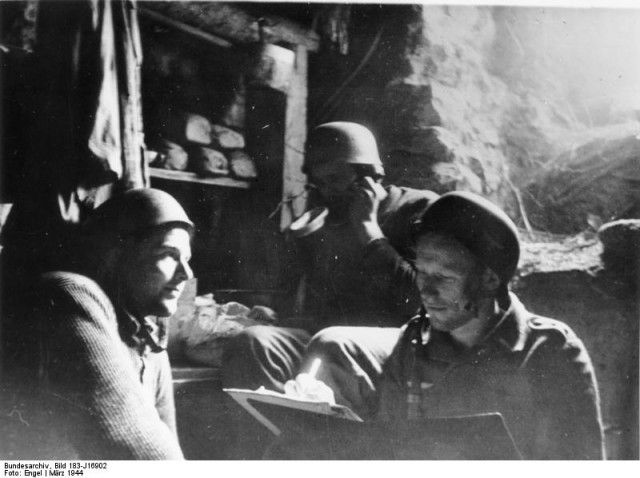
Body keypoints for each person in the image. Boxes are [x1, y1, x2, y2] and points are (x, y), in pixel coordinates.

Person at [222, 122, 438, 417]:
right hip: (331, 341)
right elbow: (326, 309)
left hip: (400, 345)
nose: (327, 191)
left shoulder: (418, 209)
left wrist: (369, 231)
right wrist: (285, 319)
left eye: (335, 180)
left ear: (370, 176)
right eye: (319, 183)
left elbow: (422, 302)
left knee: (331, 344)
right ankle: (279, 444)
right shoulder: (328, 225)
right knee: (254, 342)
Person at [376, 191, 605, 459]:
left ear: (490, 280)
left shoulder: (549, 351)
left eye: (444, 277)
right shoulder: (413, 344)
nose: (426, 290)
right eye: (422, 272)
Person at [3, 188, 193, 459]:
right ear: (116, 254)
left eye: (186, 259)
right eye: (168, 255)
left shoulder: (147, 335)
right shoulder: (68, 294)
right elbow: (145, 456)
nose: (186, 273)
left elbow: (169, 453)